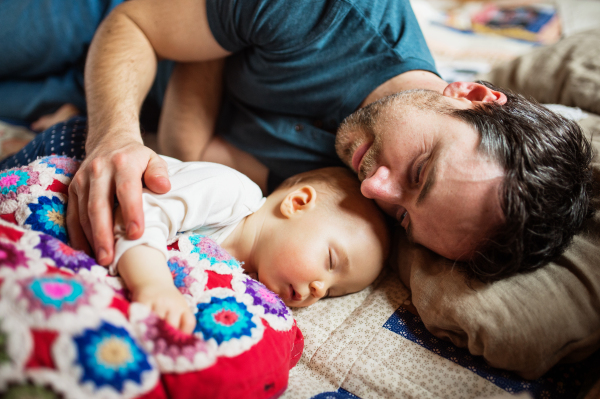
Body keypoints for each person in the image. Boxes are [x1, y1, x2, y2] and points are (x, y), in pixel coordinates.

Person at [70, 0, 592, 283]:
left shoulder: (350, 199)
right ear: (472, 94)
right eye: (419, 172)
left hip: (87, 90)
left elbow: (192, 157)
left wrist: (215, 50)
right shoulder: (330, 13)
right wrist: (114, 135)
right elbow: (136, 22)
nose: (375, 191)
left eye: (405, 216)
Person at [111, 161, 389, 333]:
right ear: (298, 203)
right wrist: (152, 284)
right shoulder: (230, 192)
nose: (319, 289)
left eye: (331, 292)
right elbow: (141, 212)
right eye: (330, 261)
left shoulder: (244, 283)